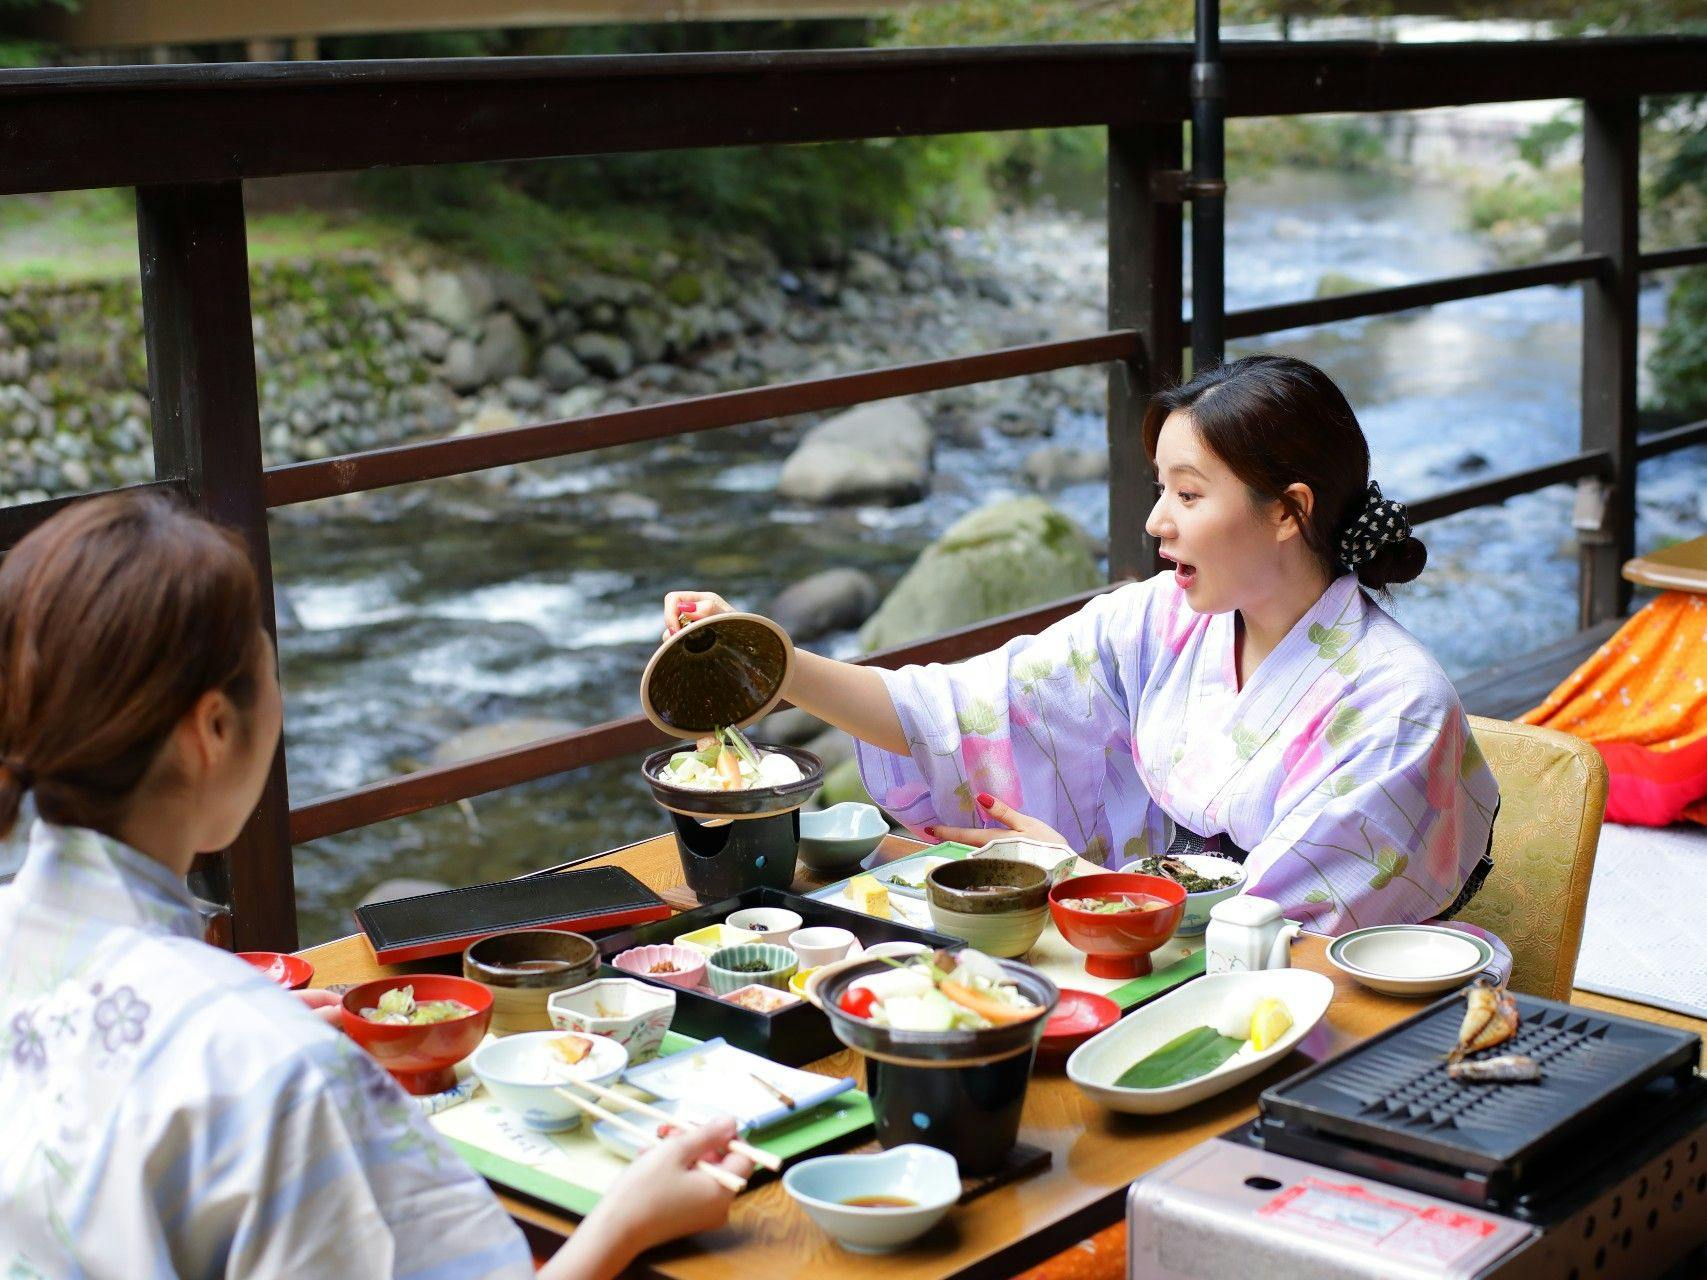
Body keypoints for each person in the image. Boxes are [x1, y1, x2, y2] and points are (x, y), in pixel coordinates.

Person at [0, 492, 751, 1279]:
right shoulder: (263, 1062)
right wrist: (623, 1224)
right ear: (214, 729)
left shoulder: (235, 1036)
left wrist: (242, 1027)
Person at [666, 355, 1504, 965]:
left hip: (1303, 1015)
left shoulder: (1396, 705)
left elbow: (1279, 941)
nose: (1156, 523)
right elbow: (955, 712)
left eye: (1186, 493)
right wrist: (769, 659)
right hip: (1148, 959)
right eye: (1158, 490)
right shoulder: (1161, 620)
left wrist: (1076, 879)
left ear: (1288, 512)